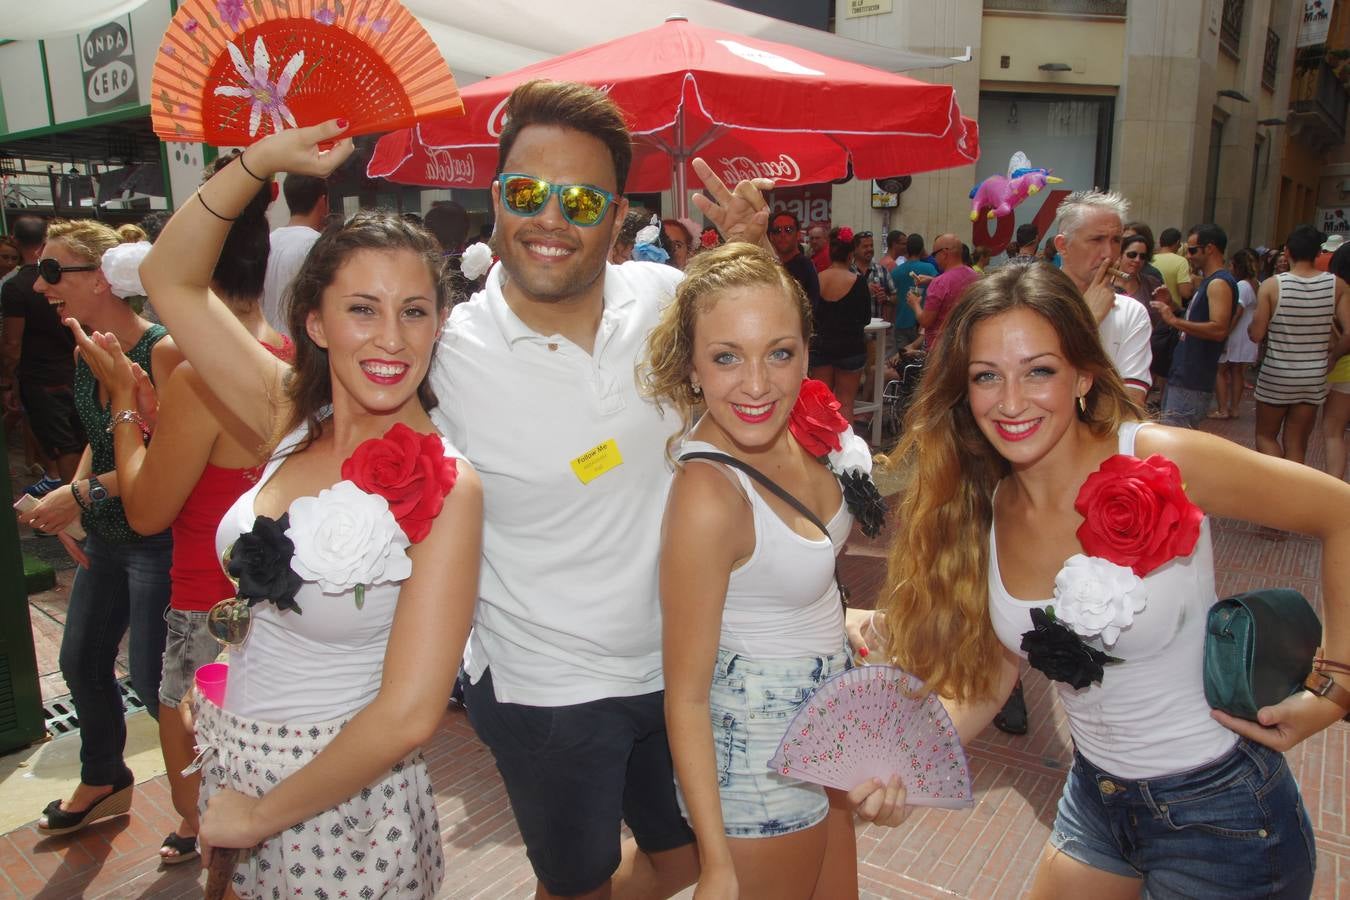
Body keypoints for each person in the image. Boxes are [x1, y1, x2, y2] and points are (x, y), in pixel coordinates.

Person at [875, 261, 1349, 898]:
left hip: (1223, 815)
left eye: (1039, 370)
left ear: (1083, 375)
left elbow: (1340, 514)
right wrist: (903, 761)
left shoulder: (1157, 456)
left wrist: (1337, 686)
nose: (1011, 402)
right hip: (1096, 799)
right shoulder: (982, 504)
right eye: (987, 376)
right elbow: (990, 676)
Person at [428, 79, 770, 900]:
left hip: (681, 669)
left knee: (684, 859)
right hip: (548, 691)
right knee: (576, 886)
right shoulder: (445, 353)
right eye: (527, 193)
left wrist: (750, 253)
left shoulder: (666, 301)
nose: (551, 218)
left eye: (580, 198)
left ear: (618, 216)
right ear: (497, 200)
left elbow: (757, 370)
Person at [135, 122, 483, 898]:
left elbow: (410, 714)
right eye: (363, 309)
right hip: (233, 767)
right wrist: (257, 163)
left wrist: (258, 816)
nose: (391, 338)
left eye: (416, 311)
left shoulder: (447, 488)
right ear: (316, 324)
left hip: (337, 807)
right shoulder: (285, 413)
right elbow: (170, 277)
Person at [644, 243, 886, 898]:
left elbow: (783, 577)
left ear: (808, 351)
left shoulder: (798, 428)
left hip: (822, 723)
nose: (756, 384)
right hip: (756, 754)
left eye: (778, 353)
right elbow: (686, 695)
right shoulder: (707, 494)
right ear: (693, 367)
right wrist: (717, 862)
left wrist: (845, 619)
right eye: (727, 357)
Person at [71, 154, 293, 866]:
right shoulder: (290, 358)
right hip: (285, 610)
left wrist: (121, 410)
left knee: (210, 813)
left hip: (210, 615)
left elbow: (145, 511)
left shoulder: (196, 377)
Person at [18, 220, 184, 837]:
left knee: (153, 679)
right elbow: (102, 437)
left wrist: (79, 494)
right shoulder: (87, 345)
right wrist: (75, 504)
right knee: (83, 660)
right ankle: (105, 776)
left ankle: (202, 805)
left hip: (155, 537)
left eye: (54, 271)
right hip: (110, 536)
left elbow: (172, 454)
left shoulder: (162, 349)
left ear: (102, 277)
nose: (40, 285)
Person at [1, 215, 85, 494]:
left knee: (64, 446)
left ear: (15, 239)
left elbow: (13, 343)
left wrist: (8, 382)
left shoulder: (17, 286)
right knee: (81, 440)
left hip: (44, 378)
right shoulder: (63, 276)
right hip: (75, 368)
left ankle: (78, 512)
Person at [1250, 224, 1346, 464]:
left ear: (1287, 252)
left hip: (1277, 374)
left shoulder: (1273, 285)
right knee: (1297, 443)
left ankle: (1278, 486)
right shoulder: (1337, 286)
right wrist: (1332, 358)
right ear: (1317, 254)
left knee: (1265, 436)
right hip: (1313, 376)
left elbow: (1257, 334)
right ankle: (1294, 489)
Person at [1052, 191, 1153, 404]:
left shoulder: (1132, 312)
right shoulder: (1030, 301)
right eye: (1096, 239)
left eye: (1116, 241)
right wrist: (1089, 319)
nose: (1109, 253)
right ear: (1062, 246)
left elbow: (1130, 403)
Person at [812, 226, 872, 425]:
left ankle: (820, 449)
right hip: (850, 348)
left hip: (822, 346)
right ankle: (846, 451)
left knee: (821, 402)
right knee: (845, 403)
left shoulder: (817, 279)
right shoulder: (858, 282)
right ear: (851, 254)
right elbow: (865, 318)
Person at [260, 172, 328, 334]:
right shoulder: (318, 245)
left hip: (267, 344)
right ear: (322, 201)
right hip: (301, 347)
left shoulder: (268, 242)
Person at [1212, 248, 1260, 420]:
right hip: (1246, 336)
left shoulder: (1242, 286)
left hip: (1236, 334)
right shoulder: (1256, 284)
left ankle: (1223, 408)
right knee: (1238, 371)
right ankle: (1234, 408)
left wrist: (1225, 333)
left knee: (1220, 370)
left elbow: (1237, 312)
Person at [912, 232, 978, 351]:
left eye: (934, 254)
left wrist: (915, 303)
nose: (934, 258)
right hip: (967, 344)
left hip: (941, 350)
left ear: (944, 253)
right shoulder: (975, 276)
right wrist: (932, 280)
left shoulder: (940, 283)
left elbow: (926, 321)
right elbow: (956, 285)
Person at [1323, 243, 1350, 480]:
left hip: (1343, 369)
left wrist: (1333, 357)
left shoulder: (1340, 293)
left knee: (1333, 431)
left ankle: (1335, 486)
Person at [890, 233, 936, 352]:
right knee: (919, 362)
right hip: (921, 322)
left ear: (907, 249)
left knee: (901, 360)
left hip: (901, 321)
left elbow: (891, 295)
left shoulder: (896, 271)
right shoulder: (930, 268)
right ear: (921, 249)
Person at [769, 210, 821, 311]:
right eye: (777, 230)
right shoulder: (771, 265)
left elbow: (811, 308)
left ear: (798, 235)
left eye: (788, 229)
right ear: (771, 237)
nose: (782, 234)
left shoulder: (805, 266)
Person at [852, 229, 894, 320]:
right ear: (855, 250)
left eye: (871, 246)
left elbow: (896, 297)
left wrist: (886, 298)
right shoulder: (848, 271)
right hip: (853, 329)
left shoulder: (882, 270)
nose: (870, 249)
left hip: (876, 330)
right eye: (865, 246)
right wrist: (863, 290)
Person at [1151, 227, 1194, 310]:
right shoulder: (1181, 261)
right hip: (1171, 311)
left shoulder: (1149, 259)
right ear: (1177, 242)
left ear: (1160, 242)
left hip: (1151, 308)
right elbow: (1185, 292)